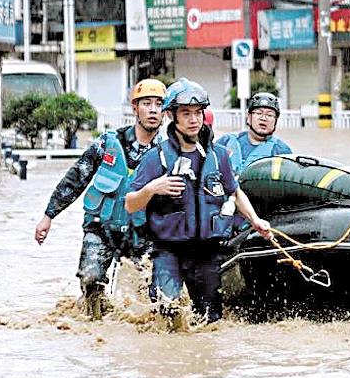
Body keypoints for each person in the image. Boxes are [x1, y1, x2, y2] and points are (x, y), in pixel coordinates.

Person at [125, 79, 272, 324]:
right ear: (172, 115)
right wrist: (152, 188)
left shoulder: (219, 156)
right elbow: (130, 203)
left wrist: (256, 220)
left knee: (210, 320)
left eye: (197, 113)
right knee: (167, 313)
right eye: (186, 113)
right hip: (168, 249)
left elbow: (234, 193)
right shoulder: (156, 157)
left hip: (206, 250)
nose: (194, 119)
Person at [34, 79, 167, 319]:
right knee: (90, 279)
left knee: (147, 298)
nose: (153, 110)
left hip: (143, 234)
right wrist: (48, 216)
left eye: (159, 104)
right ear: (135, 109)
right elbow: (75, 179)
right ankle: (94, 325)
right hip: (102, 229)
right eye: (146, 103)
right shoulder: (108, 143)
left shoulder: (168, 153)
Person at [214, 92, 292, 174]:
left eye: (269, 115)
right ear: (249, 117)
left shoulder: (281, 150)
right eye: (259, 113)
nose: (263, 118)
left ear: (276, 120)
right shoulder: (226, 142)